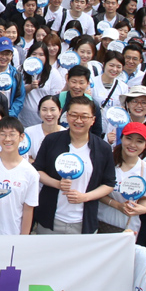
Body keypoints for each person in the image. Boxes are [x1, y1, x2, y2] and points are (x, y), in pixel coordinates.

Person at [31, 96, 115, 234]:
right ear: (66, 116)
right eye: (74, 115)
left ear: (93, 120)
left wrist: (86, 197)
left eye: (84, 116)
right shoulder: (52, 140)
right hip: (50, 219)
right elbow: (37, 170)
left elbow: (109, 183)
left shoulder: (103, 148)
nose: (78, 120)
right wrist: (56, 184)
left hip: (83, 223)